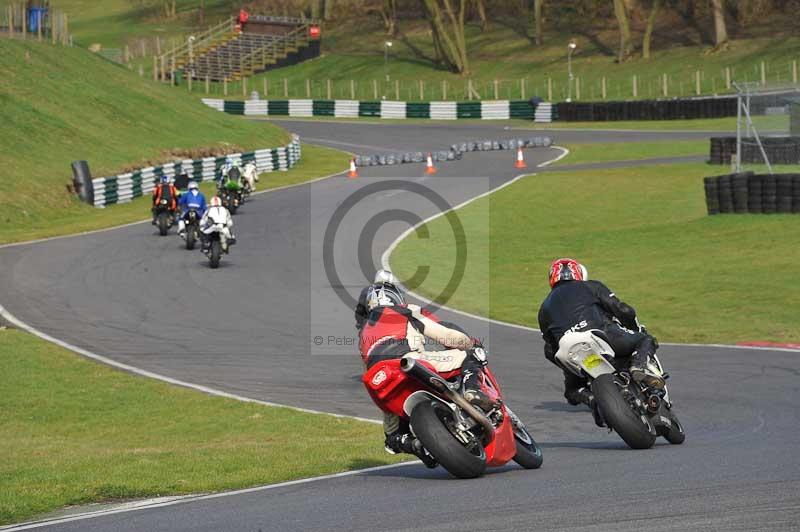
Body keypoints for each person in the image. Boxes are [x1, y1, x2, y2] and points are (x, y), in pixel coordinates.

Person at [356, 269, 494, 458]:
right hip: (409, 362)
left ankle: (416, 446)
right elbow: (445, 334)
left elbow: (367, 368)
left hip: (379, 381)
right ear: (396, 297)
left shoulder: (363, 334)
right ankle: (472, 390)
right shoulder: (405, 310)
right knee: (471, 354)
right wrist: (469, 342)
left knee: (392, 438)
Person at [537, 258, 663, 410]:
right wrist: (635, 329)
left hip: (571, 352)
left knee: (572, 391)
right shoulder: (590, 286)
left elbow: (550, 350)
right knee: (646, 339)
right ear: (578, 273)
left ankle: (593, 401)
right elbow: (624, 310)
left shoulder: (543, 309)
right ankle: (638, 366)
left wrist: (569, 368)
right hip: (600, 335)